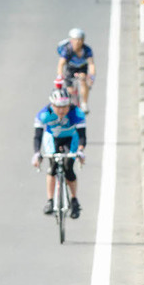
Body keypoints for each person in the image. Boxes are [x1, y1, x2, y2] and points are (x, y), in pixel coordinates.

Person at [32, 87, 86, 218]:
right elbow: (38, 136)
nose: (61, 110)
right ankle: (50, 201)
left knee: (68, 168)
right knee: (52, 167)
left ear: (69, 105)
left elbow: (82, 136)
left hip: (70, 138)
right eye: (58, 107)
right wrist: (37, 153)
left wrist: (80, 151)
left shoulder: (77, 113)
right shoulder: (44, 114)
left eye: (64, 107)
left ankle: (74, 200)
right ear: (52, 105)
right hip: (52, 138)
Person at [56, 27, 96, 113]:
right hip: (70, 68)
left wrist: (92, 76)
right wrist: (60, 76)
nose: (78, 42)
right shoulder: (67, 50)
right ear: (71, 40)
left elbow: (91, 64)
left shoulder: (86, 50)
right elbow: (61, 64)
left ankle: (84, 104)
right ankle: (71, 104)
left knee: (83, 80)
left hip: (82, 67)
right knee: (69, 90)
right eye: (76, 40)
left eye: (80, 40)